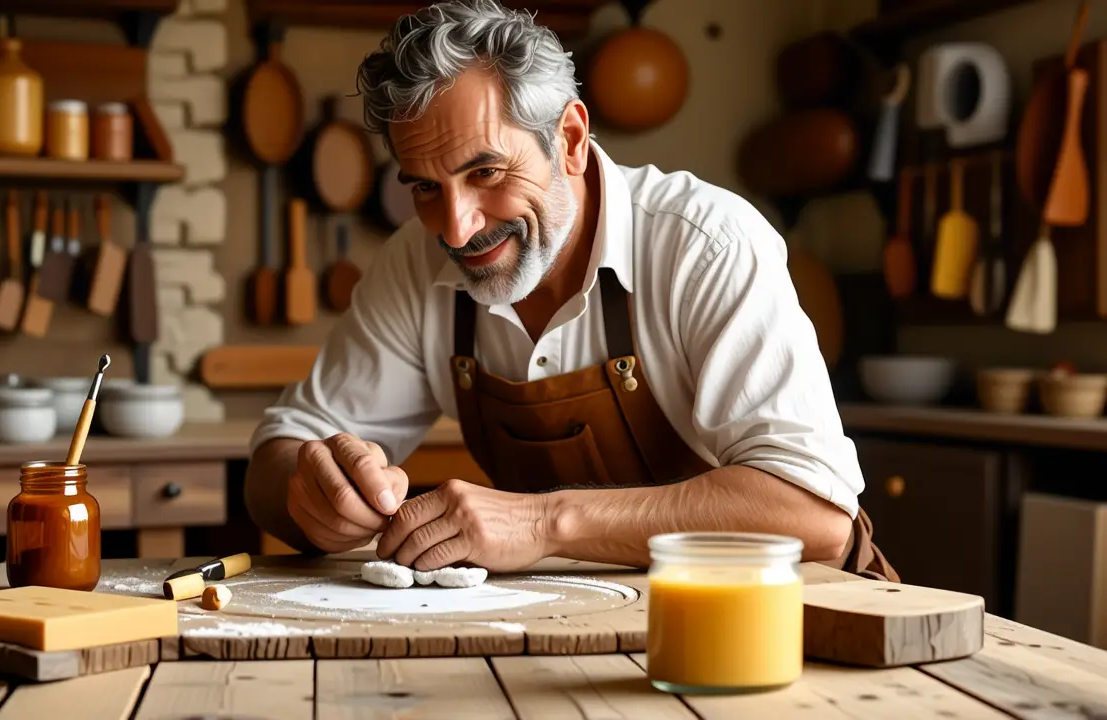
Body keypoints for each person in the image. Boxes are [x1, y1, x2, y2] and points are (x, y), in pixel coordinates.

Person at [245, 0, 896, 580]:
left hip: (781, 626)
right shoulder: (414, 264)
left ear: (572, 140)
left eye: (486, 171)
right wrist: (311, 490)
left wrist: (543, 524)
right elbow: (277, 455)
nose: (456, 225)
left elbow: (813, 514)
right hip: (582, 622)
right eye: (423, 185)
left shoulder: (706, 243)